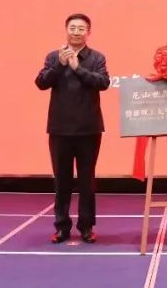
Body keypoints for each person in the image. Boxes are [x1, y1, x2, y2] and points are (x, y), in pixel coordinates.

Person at [35, 13, 110, 244]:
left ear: (88, 32)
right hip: (60, 129)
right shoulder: (54, 56)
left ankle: (86, 226)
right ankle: (62, 226)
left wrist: (78, 68)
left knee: (87, 181)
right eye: (72, 28)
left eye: (81, 28)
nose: (76, 32)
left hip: (89, 129)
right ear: (66, 30)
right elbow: (41, 82)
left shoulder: (96, 57)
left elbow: (103, 83)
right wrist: (60, 64)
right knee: (62, 181)